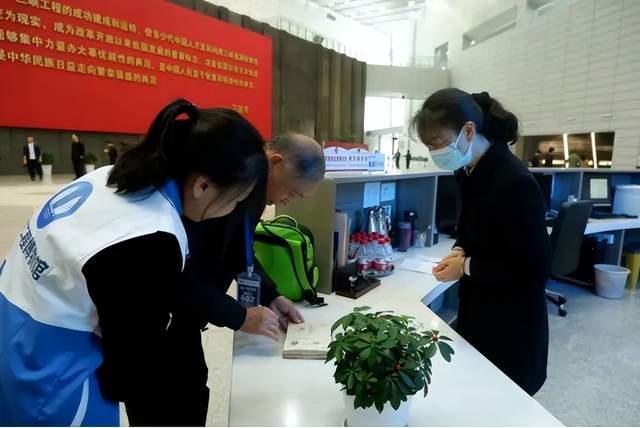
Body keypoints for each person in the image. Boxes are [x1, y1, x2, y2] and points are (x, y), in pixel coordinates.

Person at [0, 99, 269, 425]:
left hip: (13, 331)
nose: (233, 209)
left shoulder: (113, 177)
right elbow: (128, 372)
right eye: (236, 199)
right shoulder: (151, 235)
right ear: (202, 185)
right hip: (53, 372)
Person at [166, 132, 326, 425]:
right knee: (173, 404)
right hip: (163, 319)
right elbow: (175, 276)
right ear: (275, 162)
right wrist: (239, 316)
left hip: (191, 313)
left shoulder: (254, 194)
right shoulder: (223, 187)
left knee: (193, 393)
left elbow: (240, 250)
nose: (287, 202)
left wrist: (271, 295)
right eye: (292, 192)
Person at [412, 89, 552, 396]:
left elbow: (533, 270)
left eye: (438, 143)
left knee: (500, 403)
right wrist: (460, 249)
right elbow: (472, 227)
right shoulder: (469, 171)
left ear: (468, 131)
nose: (435, 152)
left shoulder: (515, 181)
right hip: (479, 312)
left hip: (511, 327)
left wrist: (465, 266)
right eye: (429, 146)